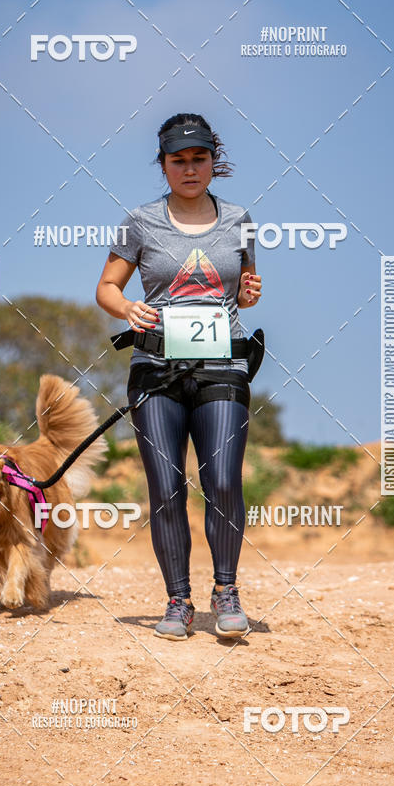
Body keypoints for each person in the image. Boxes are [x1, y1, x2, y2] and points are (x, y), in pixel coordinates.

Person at [95, 112, 262, 641]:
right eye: (178, 161)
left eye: (199, 159)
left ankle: (227, 592)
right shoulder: (141, 222)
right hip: (155, 371)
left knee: (222, 480)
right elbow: (106, 287)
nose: (190, 170)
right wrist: (126, 308)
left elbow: (243, 288)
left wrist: (250, 296)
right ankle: (178, 601)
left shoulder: (240, 219)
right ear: (163, 165)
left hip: (223, 367)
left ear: (214, 162)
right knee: (166, 489)